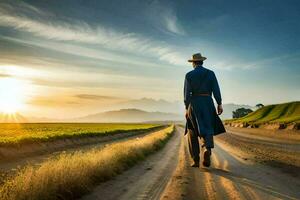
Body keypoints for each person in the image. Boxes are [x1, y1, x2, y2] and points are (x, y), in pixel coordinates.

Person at [184, 53, 225, 167]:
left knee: (192, 130)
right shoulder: (211, 73)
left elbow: (187, 94)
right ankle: (207, 148)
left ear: (193, 63)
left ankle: (195, 160)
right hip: (208, 102)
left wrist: (187, 108)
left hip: (194, 103)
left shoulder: (189, 75)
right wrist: (219, 103)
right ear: (202, 62)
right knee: (207, 127)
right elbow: (216, 89)